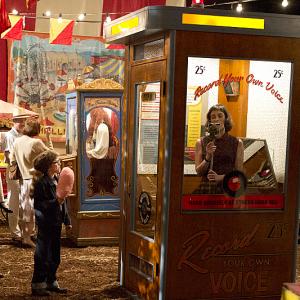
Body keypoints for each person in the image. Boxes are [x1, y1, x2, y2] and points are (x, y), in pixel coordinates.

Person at [31, 150, 71, 296]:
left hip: (56, 223)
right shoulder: (41, 183)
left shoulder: (58, 180)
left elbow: (64, 203)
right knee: (43, 255)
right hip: (46, 223)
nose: (59, 164)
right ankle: (38, 284)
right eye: (57, 162)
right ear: (49, 166)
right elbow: (40, 205)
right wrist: (56, 202)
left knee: (55, 255)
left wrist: (67, 220)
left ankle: (51, 281)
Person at [10, 118, 53, 247]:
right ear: (37, 129)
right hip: (36, 179)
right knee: (33, 210)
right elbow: (52, 155)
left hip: (24, 179)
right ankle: (27, 238)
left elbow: (12, 160)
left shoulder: (17, 141)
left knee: (25, 209)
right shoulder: (36, 142)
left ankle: (27, 235)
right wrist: (48, 138)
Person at [194, 104, 244, 194]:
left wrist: (220, 177)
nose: (216, 119)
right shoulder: (201, 142)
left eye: (220, 116)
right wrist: (208, 157)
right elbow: (198, 172)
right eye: (213, 117)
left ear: (225, 119)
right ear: (210, 121)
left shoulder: (236, 143)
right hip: (207, 190)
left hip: (227, 189)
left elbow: (238, 174)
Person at [3, 115, 28, 241]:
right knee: (14, 201)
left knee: (24, 200)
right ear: (15, 122)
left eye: (24, 121)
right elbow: (8, 156)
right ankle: (15, 233)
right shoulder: (9, 136)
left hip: (24, 169)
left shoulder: (22, 135)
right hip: (14, 169)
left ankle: (24, 231)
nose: (23, 123)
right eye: (21, 121)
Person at [86, 108, 118, 195]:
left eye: (92, 116)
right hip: (101, 161)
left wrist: (88, 152)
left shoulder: (102, 127)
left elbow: (101, 149)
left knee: (102, 185)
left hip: (103, 162)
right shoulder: (100, 126)